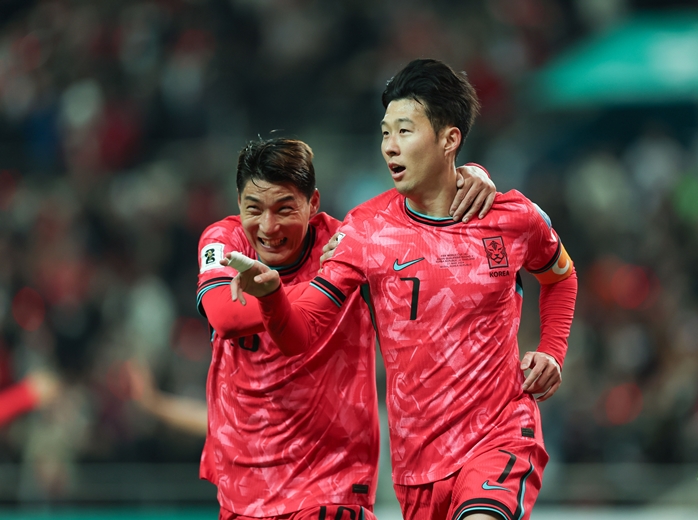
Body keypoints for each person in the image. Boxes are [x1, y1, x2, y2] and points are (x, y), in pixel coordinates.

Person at [229, 59, 578, 520]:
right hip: (417, 465)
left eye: (404, 131)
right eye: (385, 133)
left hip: (500, 435)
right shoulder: (364, 231)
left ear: (449, 139)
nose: (389, 147)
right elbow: (301, 333)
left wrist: (552, 350)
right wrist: (273, 296)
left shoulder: (513, 218)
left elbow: (560, 276)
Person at [198, 136, 496, 520]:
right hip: (243, 486)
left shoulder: (349, 245)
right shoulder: (224, 242)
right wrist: (323, 285)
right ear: (238, 203)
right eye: (254, 208)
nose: (268, 226)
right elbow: (225, 316)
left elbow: (426, 226)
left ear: (313, 203)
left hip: (330, 480)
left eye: (285, 208)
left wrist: (467, 177)